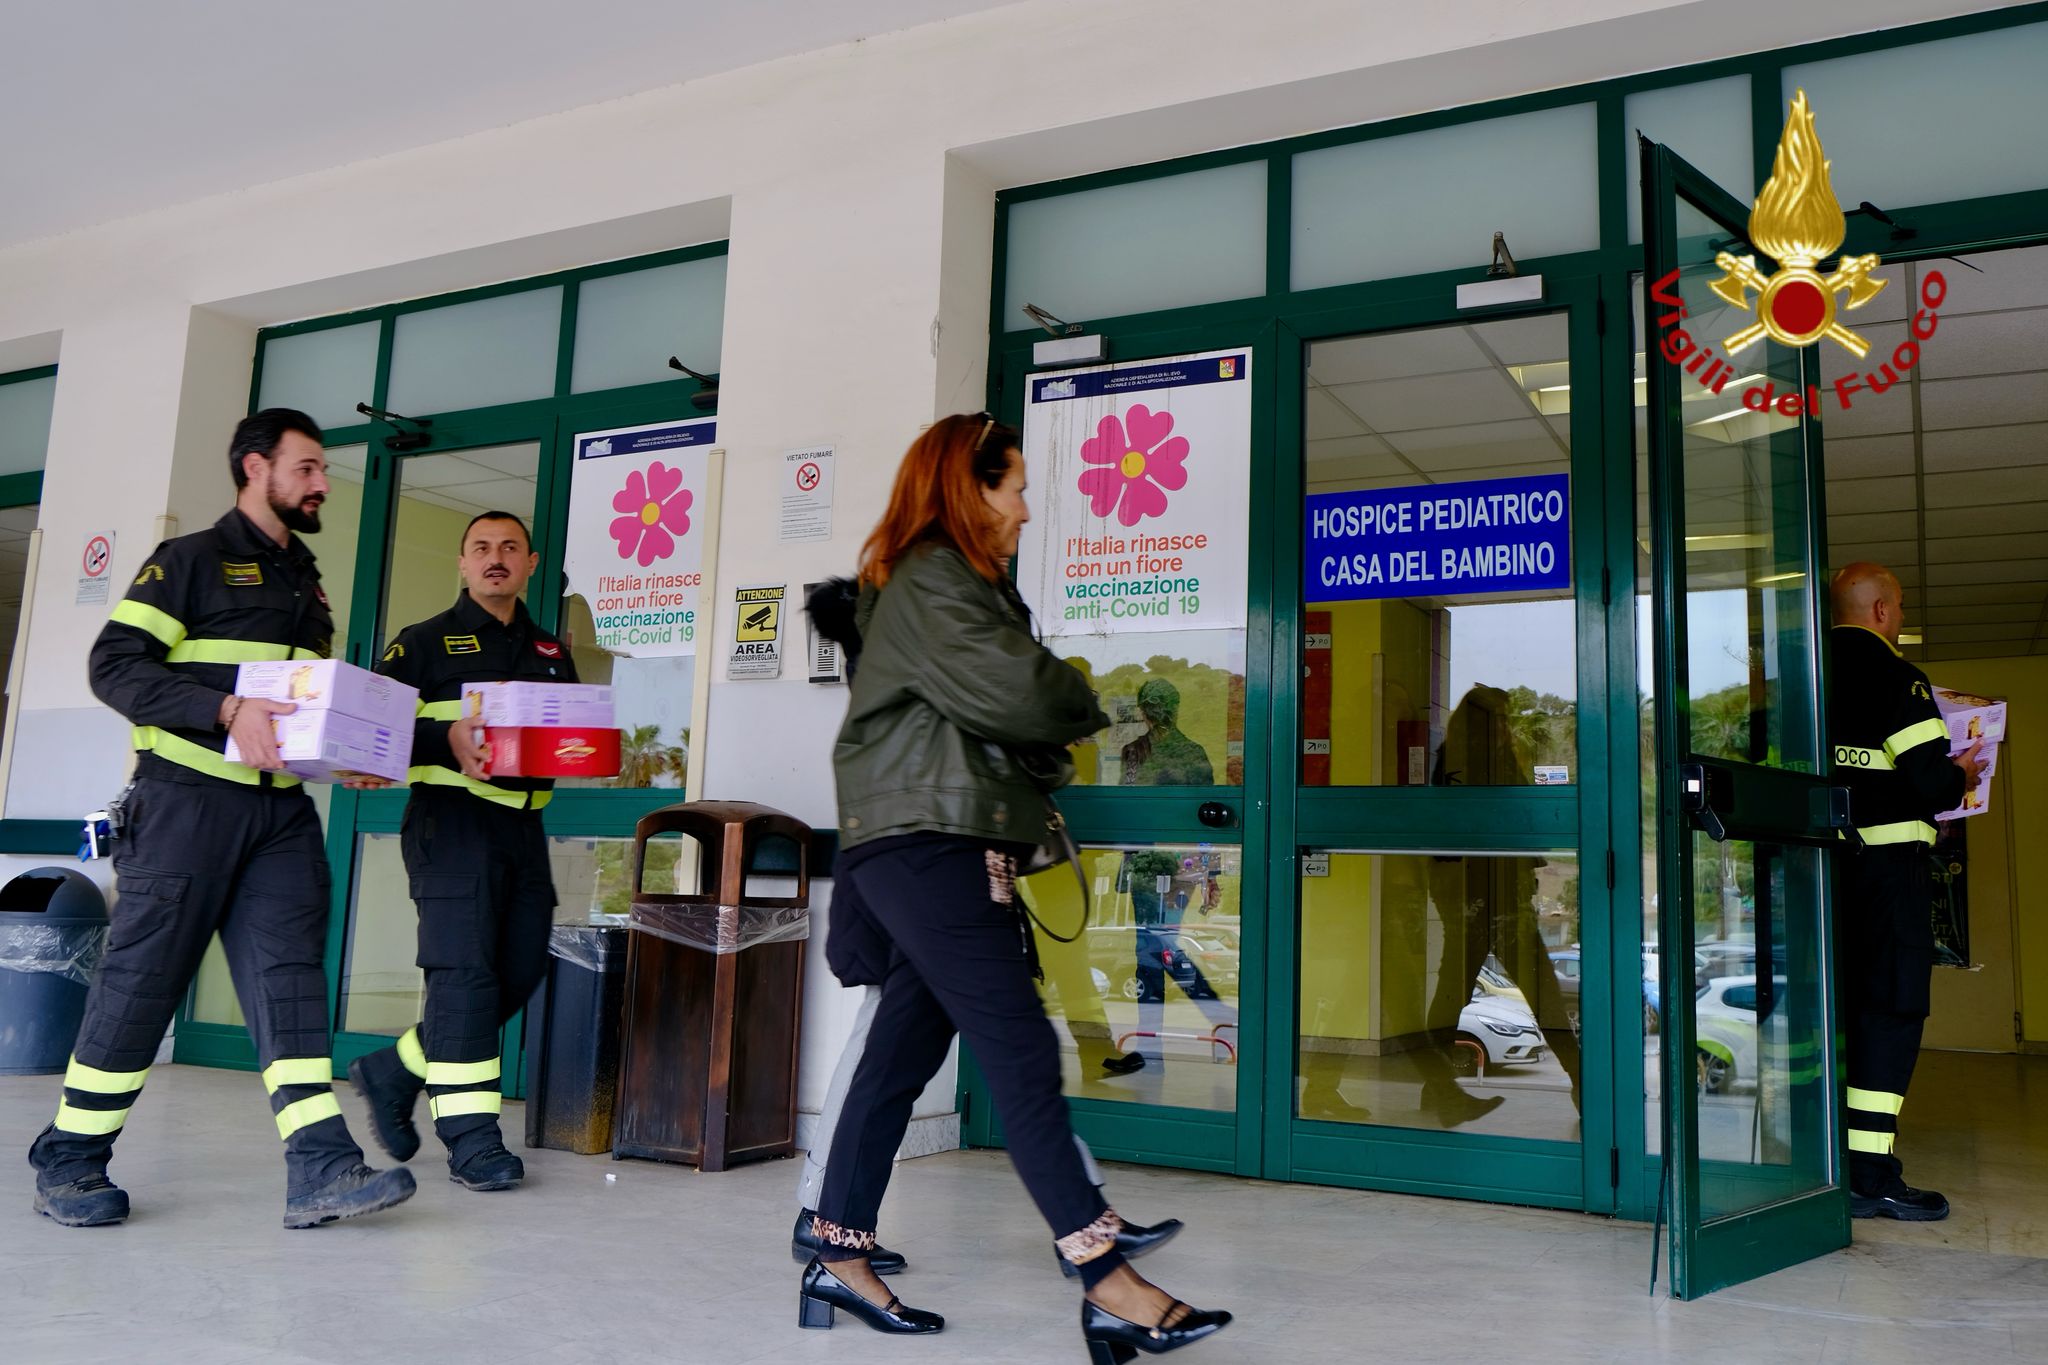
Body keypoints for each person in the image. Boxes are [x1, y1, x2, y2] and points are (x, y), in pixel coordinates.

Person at [798, 414, 1231, 1360]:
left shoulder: (947, 585)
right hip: (934, 843)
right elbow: (1035, 699)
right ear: (969, 486)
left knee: (901, 1054)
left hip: (932, 837)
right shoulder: (934, 579)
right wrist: (1074, 693)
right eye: (1016, 487)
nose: (1029, 509)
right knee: (1019, 1048)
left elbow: (1015, 721)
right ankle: (1105, 1274)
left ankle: (837, 1248)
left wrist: (1037, 714)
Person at [28, 408, 416, 1229]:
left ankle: (322, 1166)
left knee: (291, 986)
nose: (321, 483)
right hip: (183, 808)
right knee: (141, 987)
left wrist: (341, 752)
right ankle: (70, 1157)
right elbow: (113, 666)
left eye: (321, 470)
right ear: (255, 467)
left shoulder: (305, 582)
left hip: (279, 815)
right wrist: (224, 706)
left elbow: (295, 712)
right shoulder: (189, 562)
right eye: (306, 467)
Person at [789, 580, 1183, 1276]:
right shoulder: (906, 671)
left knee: (948, 1051)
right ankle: (832, 1216)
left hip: (948, 873)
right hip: (923, 879)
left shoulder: (908, 665)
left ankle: (841, 1226)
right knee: (954, 1049)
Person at [349, 511, 572, 1192]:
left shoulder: (550, 652)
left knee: (522, 966)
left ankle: (394, 1067)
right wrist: (440, 740)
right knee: (465, 978)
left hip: (523, 830)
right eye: (482, 548)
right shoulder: (421, 643)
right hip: (452, 826)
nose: (495, 558)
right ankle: (472, 1140)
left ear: (531, 563)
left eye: (509, 548)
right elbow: (370, 730)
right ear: (462, 562)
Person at [1828, 562, 1986, 1221]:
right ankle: (1869, 1175)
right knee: (1889, 1014)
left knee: (1830, 1012)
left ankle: (1820, 1165)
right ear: (1883, 612)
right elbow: (1928, 782)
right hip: (1888, 877)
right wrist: (1964, 770)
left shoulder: (1801, 679)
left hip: (1820, 875)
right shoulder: (1897, 678)